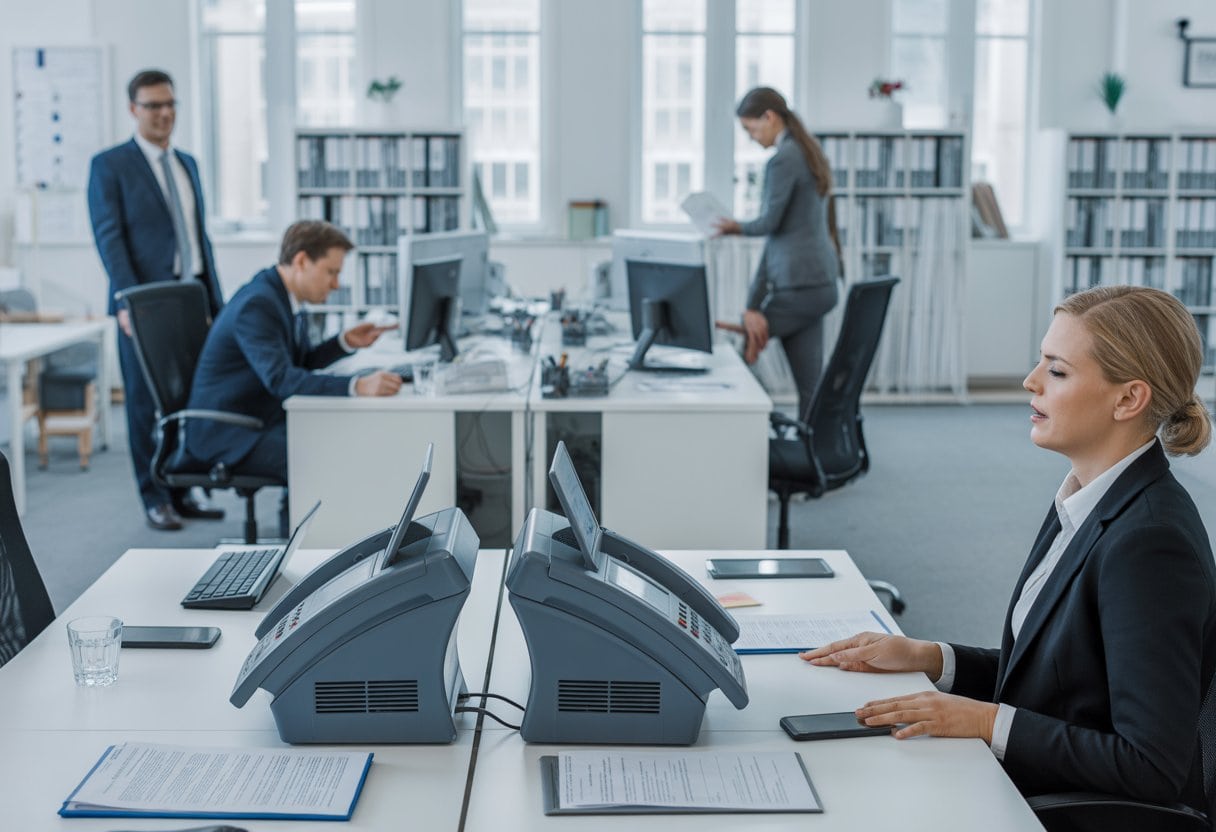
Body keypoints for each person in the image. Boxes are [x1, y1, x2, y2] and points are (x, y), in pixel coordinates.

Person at [802, 285, 1216, 813]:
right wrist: (932, 658)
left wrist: (984, 720)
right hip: (1032, 779)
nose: (1030, 381)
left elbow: (1152, 765)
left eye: (1057, 371)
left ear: (1128, 398)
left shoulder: (1150, 543)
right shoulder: (1088, 497)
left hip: (1062, 809)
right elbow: (1064, 674)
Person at [88, 69, 226, 531]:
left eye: (170, 104)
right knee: (145, 406)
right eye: (153, 106)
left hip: (192, 298)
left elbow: (197, 238)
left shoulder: (187, 163)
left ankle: (182, 490)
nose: (164, 113)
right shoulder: (110, 165)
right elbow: (111, 240)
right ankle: (154, 497)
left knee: (185, 401)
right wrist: (128, 302)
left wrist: (214, 301)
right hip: (143, 305)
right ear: (133, 109)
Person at [185, 220, 401, 489]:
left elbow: (298, 364)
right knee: (320, 458)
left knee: (339, 437)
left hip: (258, 416)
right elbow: (281, 380)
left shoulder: (282, 296)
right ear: (301, 261)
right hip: (228, 431)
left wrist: (344, 342)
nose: (336, 284)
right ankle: (300, 530)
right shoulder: (258, 304)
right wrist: (357, 386)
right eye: (331, 272)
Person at [713, 87, 843, 422]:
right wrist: (753, 302)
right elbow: (780, 238)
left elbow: (769, 224)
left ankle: (735, 436)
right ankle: (815, 455)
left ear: (769, 117)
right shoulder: (807, 151)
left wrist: (735, 227)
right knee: (810, 385)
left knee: (739, 353)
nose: (752, 139)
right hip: (820, 285)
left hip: (800, 287)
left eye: (751, 129)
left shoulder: (783, 160)